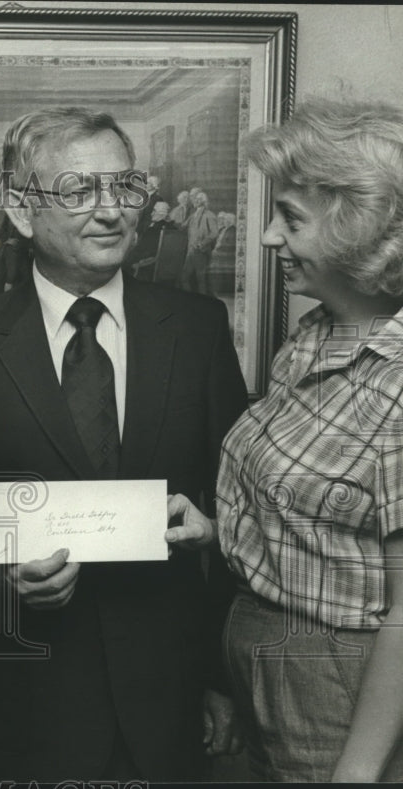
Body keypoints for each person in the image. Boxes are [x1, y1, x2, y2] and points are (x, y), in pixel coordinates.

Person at [0, 107, 248, 782]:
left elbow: (236, 511)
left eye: (124, 187)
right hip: (25, 704)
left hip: (167, 701)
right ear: (20, 212)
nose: (111, 211)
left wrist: (220, 676)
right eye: (78, 191)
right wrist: (2, 580)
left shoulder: (198, 329)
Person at [167, 98, 403, 783]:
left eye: (291, 219)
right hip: (266, 654)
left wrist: (358, 771)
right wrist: (219, 530)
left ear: (361, 233)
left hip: (343, 685)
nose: (269, 237)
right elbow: (325, 512)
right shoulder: (315, 335)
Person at [181, 190, 219, 295]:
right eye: (195, 199)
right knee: (184, 278)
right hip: (191, 251)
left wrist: (202, 244)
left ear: (203, 201)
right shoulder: (193, 215)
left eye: (199, 199)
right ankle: (191, 301)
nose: (196, 201)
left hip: (201, 252)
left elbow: (214, 233)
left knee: (201, 280)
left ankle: (203, 303)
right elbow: (182, 226)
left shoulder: (209, 215)